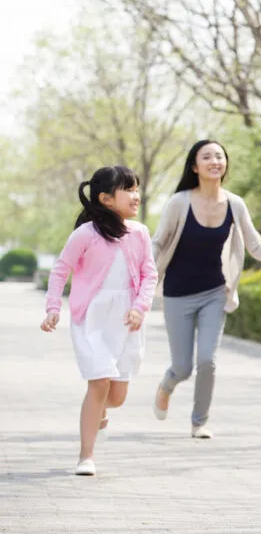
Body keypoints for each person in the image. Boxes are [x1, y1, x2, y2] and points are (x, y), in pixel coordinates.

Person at [151, 139, 261, 438]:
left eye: (219, 156)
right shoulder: (179, 202)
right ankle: (166, 385)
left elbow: (256, 246)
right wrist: (143, 279)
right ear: (195, 166)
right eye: (207, 157)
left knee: (207, 360)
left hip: (214, 292)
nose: (214, 161)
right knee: (183, 367)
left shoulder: (234, 204)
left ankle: (199, 421)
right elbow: (158, 244)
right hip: (178, 293)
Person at [42, 166, 158, 476]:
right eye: (128, 190)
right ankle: (86, 456)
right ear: (106, 198)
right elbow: (60, 269)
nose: (136, 195)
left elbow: (150, 274)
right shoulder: (86, 234)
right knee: (99, 382)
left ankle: (102, 411)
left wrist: (140, 307)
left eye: (137, 189)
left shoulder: (140, 233)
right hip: (91, 318)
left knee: (117, 397)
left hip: (126, 320)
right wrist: (53, 307)